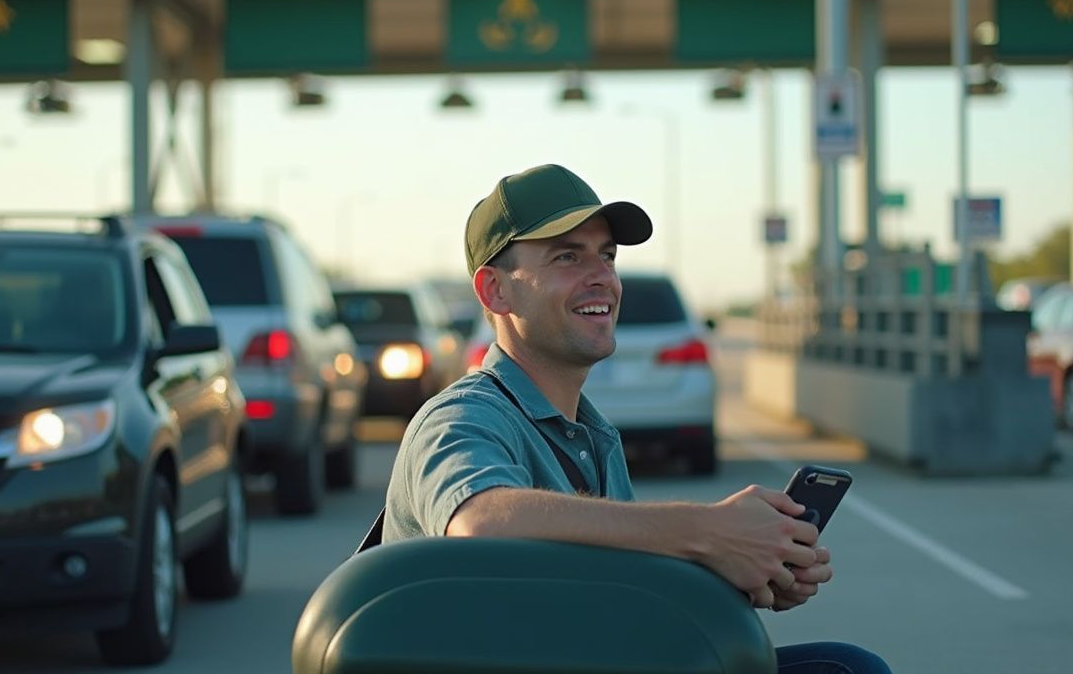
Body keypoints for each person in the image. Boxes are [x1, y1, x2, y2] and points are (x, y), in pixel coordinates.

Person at [380, 164, 891, 674]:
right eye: (566, 256)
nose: (602, 276)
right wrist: (709, 531)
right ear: (495, 291)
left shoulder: (594, 436)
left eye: (606, 256)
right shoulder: (461, 417)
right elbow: (480, 523)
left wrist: (736, 564)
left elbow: (615, 597)